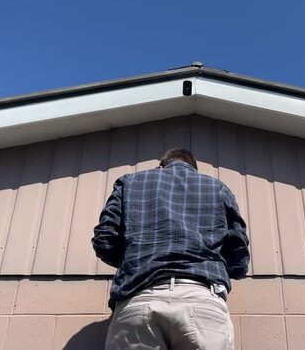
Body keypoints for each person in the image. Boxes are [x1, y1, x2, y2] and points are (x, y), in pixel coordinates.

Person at [92, 148, 250, 350]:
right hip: (201, 298)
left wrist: (135, 261)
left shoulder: (129, 182)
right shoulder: (218, 188)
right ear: (194, 168)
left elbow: (104, 240)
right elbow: (239, 252)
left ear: (160, 166)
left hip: (139, 296)